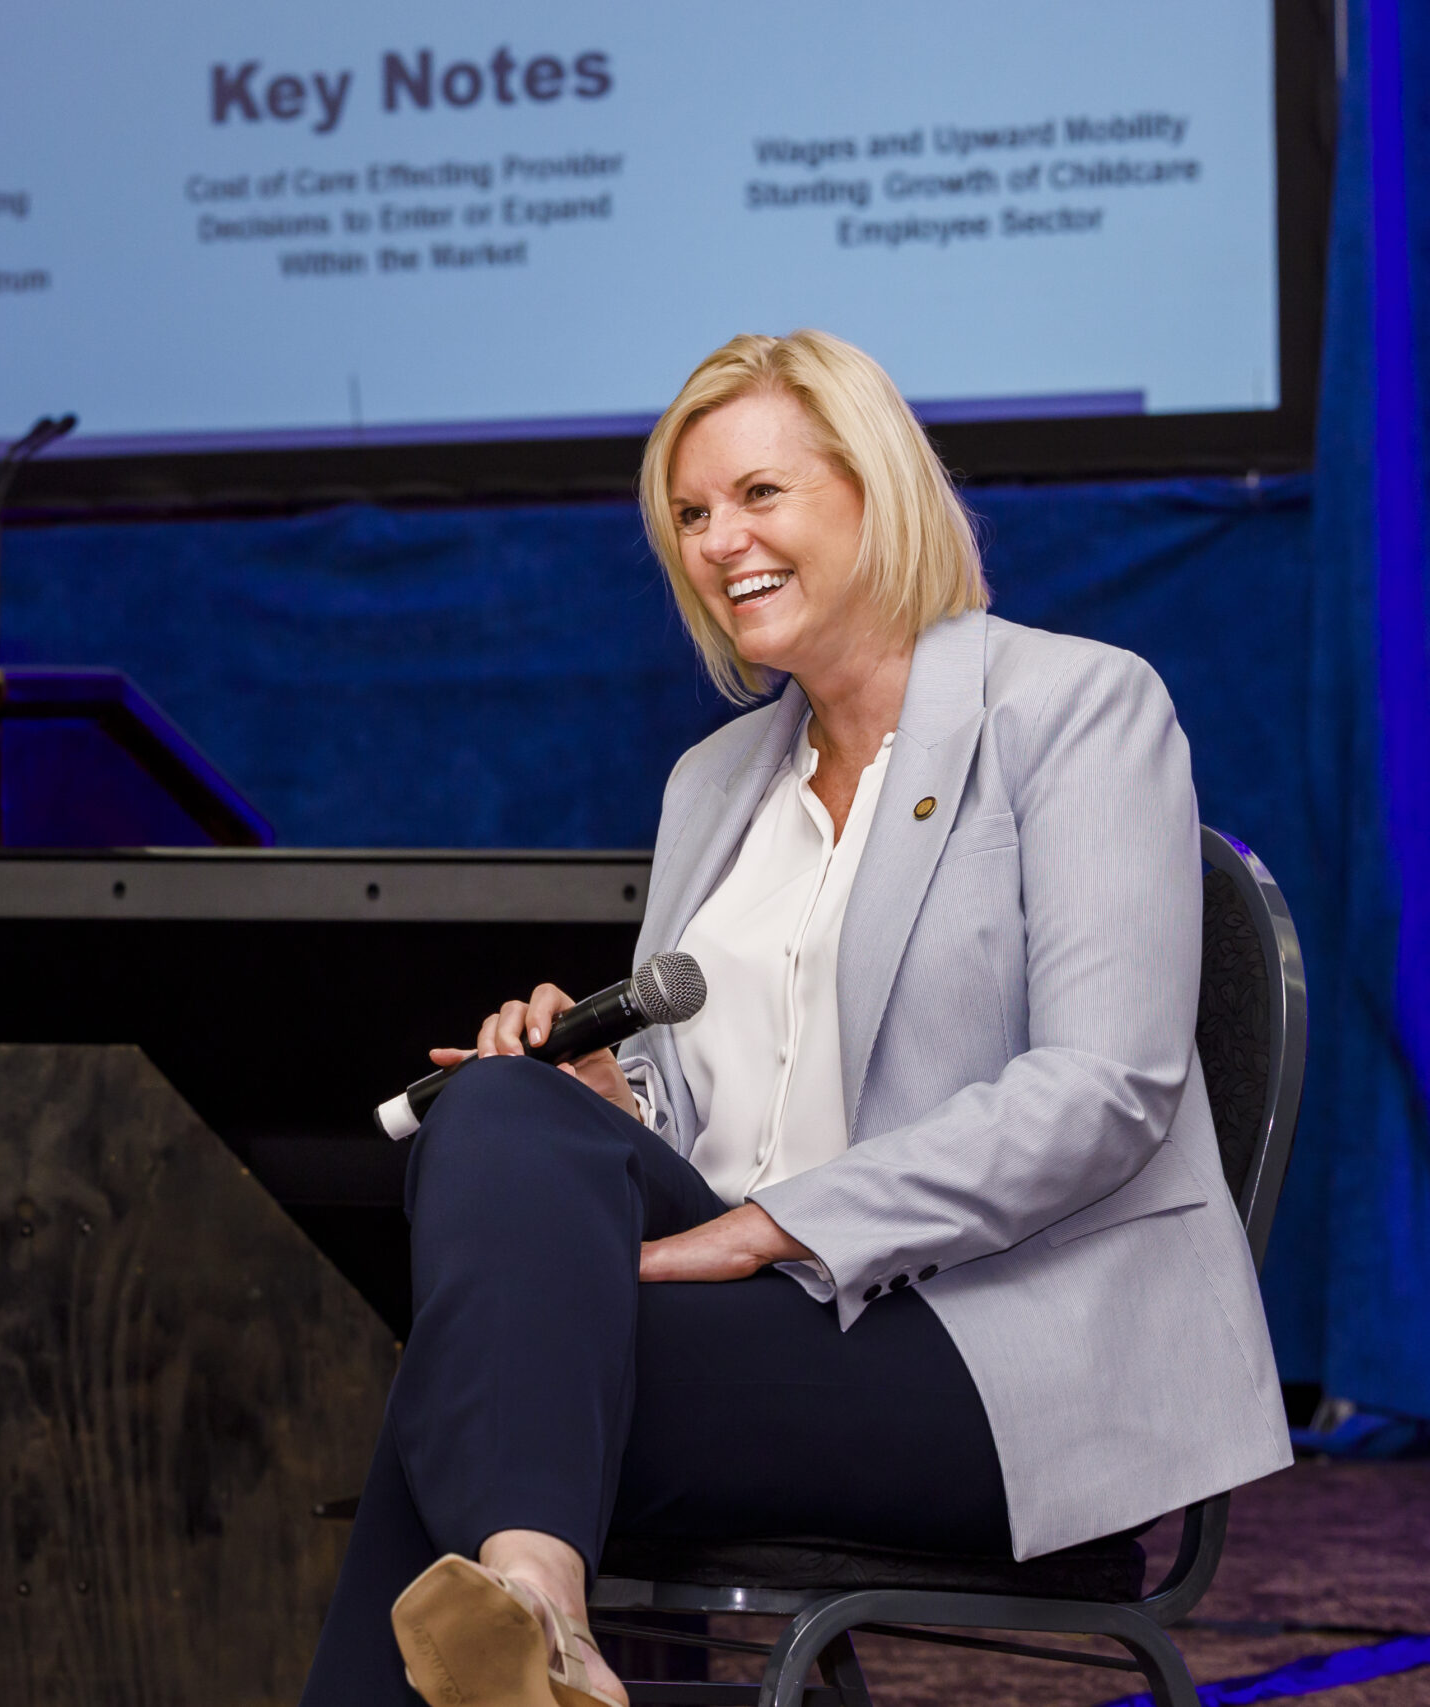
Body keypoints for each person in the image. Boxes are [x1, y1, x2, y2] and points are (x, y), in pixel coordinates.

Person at [299, 332, 1292, 1707]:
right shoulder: (716, 782)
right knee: (501, 1103)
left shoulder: (1075, 707)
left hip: (988, 1344)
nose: (721, 543)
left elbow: (1105, 1090)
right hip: (761, 1320)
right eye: (691, 515)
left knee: (484, 1368)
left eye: (760, 494)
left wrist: (775, 1226)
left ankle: (533, 1607)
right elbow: (718, 1105)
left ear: (878, 492)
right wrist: (619, 1106)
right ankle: (538, 1595)